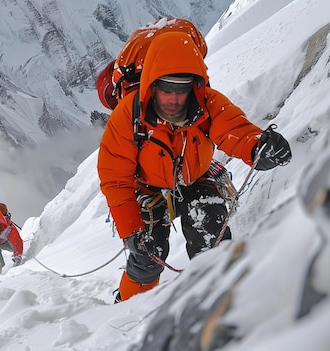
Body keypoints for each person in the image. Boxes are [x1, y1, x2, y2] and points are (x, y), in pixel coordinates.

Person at [97, 31, 292, 302]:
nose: (174, 98)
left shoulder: (207, 103)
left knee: (209, 228)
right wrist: (131, 232)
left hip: (196, 179)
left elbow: (233, 129)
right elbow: (115, 178)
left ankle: (220, 299)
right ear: (151, 86)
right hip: (147, 189)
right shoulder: (128, 116)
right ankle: (126, 309)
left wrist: (259, 148)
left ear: (195, 87)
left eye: (182, 89)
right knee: (147, 257)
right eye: (166, 88)